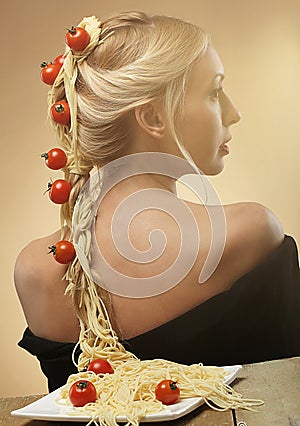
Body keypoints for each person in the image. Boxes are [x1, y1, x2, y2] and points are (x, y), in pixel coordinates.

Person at [14, 11, 300, 392]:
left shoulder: (36, 269)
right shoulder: (250, 232)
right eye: (214, 92)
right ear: (152, 116)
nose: (233, 113)